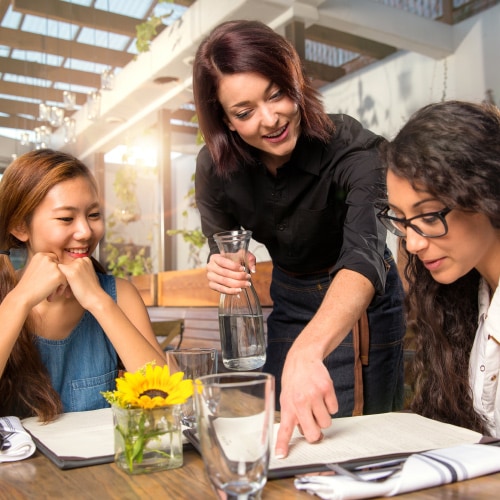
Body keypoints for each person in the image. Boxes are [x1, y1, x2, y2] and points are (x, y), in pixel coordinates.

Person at [192, 19, 406, 457]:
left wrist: (308, 351)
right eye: (244, 112)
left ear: (296, 82)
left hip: (361, 299)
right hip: (290, 297)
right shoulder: (215, 168)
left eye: (277, 94)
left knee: (361, 440)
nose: (270, 120)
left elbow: (365, 253)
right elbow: (222, 241)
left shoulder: (352, 149)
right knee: (282, 433)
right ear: (225, 120)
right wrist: (224, 263)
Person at [0, 149, 166, 422]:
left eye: (93, 215)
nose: (86, 232)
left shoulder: (119, 294)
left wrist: (98, 302)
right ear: (20, 227)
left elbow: (164, 398)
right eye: (66, 218)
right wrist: (20, 301)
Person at [378, 100, 500, 437]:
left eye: (429, 216)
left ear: (486, 193)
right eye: (401, 221)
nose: (413, 244)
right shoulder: (463, 300)